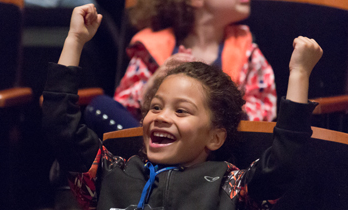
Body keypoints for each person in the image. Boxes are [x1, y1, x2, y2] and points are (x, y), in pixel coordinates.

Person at [42, 4, 323, 210]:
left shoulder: (230, 188)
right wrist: (75, 40)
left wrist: (299, 73)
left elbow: (284, 161)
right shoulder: (109, 173)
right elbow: (61, 125)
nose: (162, 116)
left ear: (214, 137)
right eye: (155, 107)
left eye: (181, 111)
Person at [84, 0, 277, 138]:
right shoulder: (153, 48)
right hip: (160, 138)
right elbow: (124, 107)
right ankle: (165, 167)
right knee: (100, 107)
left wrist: (215, 108)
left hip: (215, 148)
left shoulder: (247, 51)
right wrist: (154, 85)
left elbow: (263, 111)